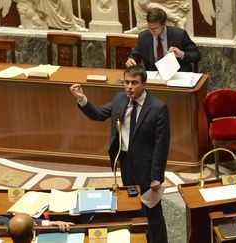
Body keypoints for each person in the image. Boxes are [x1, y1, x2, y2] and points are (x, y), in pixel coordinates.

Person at [69, 65, 170, 243]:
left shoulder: (158, 108)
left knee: (153, 211)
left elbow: (161, 146)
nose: (129, 87)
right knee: (132, 205)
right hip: (125, 162)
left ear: (144, 84)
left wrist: (157, 176)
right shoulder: (120, 99)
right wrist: (82, 100)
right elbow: (99, 115)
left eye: (134, 83)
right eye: (127, 82)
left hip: (146, 167)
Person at [126, 7, 200, 72]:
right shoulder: (143, 37)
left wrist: (181, 54)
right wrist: (132, 61)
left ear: (164, 23)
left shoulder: (179, 34)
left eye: (155, 28)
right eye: (149, 28)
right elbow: (135, 55)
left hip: (178, 75)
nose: (152, 31)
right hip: (154, 77)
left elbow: (197, 55)